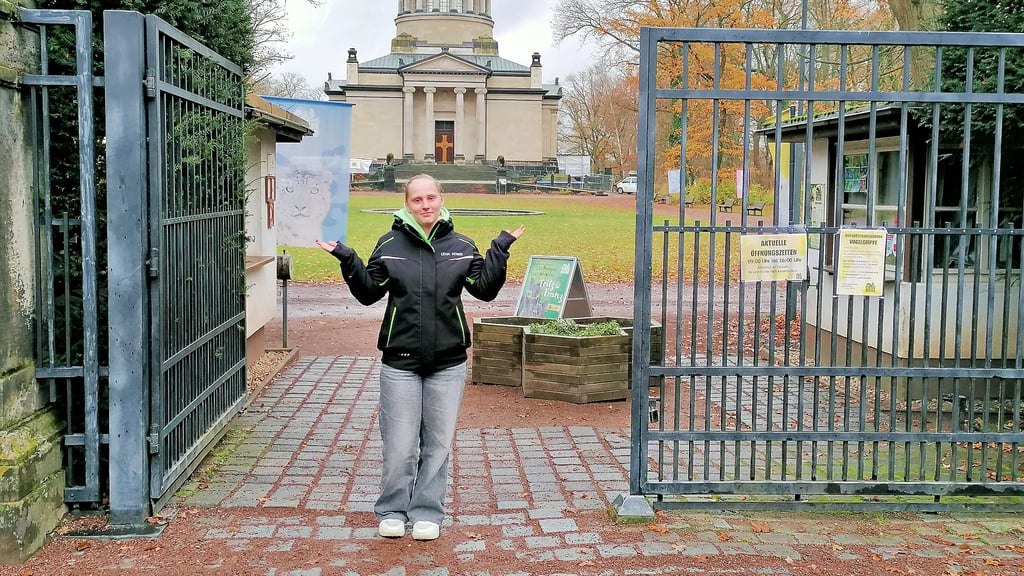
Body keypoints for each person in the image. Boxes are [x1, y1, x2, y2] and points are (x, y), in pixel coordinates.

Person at [316, 174, 524, 541]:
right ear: (407, 204)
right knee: (399, 443)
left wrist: (500, 249)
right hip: (400, 362)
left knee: (438, 443)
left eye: (431, 197)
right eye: (417, 200)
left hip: (448, 363)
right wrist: (348, 259)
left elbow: (485, 290)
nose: (425, 205)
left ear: (441, 199)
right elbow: (369, 293)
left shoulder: (461, 245)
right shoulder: (390, 244)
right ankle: (393, 510)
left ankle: (427, 511)